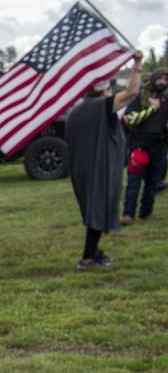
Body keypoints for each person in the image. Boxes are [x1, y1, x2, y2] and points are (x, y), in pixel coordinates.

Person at [68, 52, 143, 269]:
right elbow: (131, 93)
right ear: (103, 89)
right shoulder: (101, 106)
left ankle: (95, 252)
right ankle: (88, 258)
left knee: (92, 210)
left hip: (81, 169)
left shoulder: (75, 111)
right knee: (98, 210)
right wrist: (137, 65)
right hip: (98, 168)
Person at [121, 66, 167, 224]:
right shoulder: (141, 95)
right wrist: (151, 109)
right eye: (160, 78)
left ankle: (146, 213)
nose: (163, 82)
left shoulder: (166, 98)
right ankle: (128, 214)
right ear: (154, 78)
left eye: (166, 79)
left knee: (153, 182)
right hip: (139, 145)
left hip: (159, 146)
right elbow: (130, 119)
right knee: (134, 181)